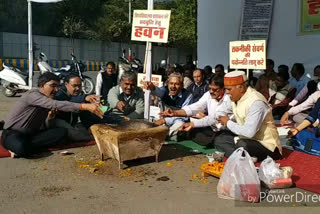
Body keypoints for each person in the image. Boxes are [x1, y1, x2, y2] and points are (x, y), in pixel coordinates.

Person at [1, 72, 103, 158]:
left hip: (32, 135)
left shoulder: (51, 97)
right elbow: (58, 104)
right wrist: (85, 105)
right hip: (13, 133)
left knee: (61, 132)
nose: (56, 89)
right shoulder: (33, 95)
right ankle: (20, 148)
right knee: (21, 146)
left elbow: (45, 125)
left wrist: (50, 118)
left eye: (58, 86)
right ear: (42, 85)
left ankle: (24, 148)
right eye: (53, 86)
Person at [215, 71, 282, 161]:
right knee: (220, 139)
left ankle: (241, 157)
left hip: (268, 146)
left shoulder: (256, 101)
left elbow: (249, 132)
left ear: (241, 88)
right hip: (247, 139)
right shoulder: (234, 98)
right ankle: (243, 158)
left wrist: (228, 122)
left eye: (229, 89)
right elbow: (221, 112)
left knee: (242, 145)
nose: (226, 92)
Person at [160, 75, 232, 146]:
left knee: (219, 140)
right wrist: (175, 113)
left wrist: (193, 124)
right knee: (192, 132)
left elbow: (214, 118)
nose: (211, 92)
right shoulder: (208, 95)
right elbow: (196, 107)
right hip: (211, 128)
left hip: (224, 131)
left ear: (223, 89)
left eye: (215, 90)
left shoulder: (228, 99)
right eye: (210, 88)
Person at [145, 72, 193, 140]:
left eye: (176, 84)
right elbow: (157, 90)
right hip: (162, 120)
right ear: (167, 84)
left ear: (182, 85)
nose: (173, 86)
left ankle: (164, 135)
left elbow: (184, 117)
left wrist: (165, 120)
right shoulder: (164, 90)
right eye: (171, 83)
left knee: (180, 124)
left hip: (177, 121)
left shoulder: (188, 96)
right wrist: (152, 87)